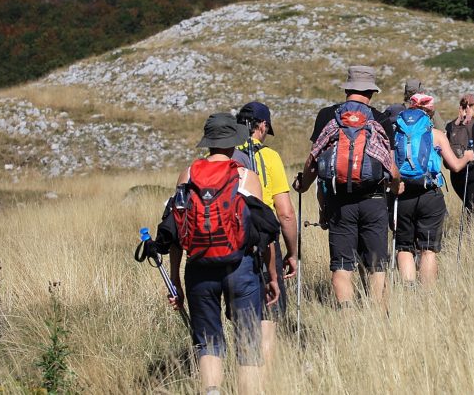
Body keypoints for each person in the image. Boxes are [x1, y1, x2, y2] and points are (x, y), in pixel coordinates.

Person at [164, 112, 279, 395]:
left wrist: (176, 280)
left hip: (199, 267)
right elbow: (265, 233)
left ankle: (212, 390)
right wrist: (271, 276)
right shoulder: (246, 177)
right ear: (233, 143)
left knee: (208, 342)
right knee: (248, 344)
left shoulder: (187, 175)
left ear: (209, 143)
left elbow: (176, 233)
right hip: (241, 268)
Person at [294, 66, 400, 308]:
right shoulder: (380, 118)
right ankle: (377, 322)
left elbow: (314, 159)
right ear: (372, 92)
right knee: (377, 267)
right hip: (374, 201)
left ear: (347, 89)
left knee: (342, 268)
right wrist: (396, 187)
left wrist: (303, 186)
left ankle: (348, 324)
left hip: (338, 202)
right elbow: (391, 166)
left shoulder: (327, 116)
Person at [234, 101, 298, 364]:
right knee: (268, 311)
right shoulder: (269, 157)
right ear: (262, 126)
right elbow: (285, 213)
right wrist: (293, 253)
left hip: (227, 240)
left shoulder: (223, 154)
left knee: (240, 312)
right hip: (263, 240)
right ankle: (267, 378)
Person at [393, 94, 474, 286]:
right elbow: (454, 165)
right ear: (429, 111)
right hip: (430, 194)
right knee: (428, 249)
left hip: (402, 193)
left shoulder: (396, 133)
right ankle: (427, 294)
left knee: (404, 248)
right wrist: (468, 157)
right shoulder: (436, 134)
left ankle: (408, 291)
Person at [445, 93, 474, 215]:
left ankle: (467, 231)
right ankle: (473, 233)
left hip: (457, 172)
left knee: (468, 205)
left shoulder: (451, 126)